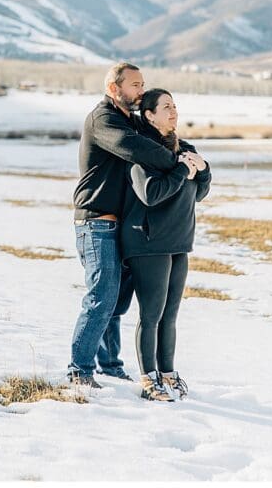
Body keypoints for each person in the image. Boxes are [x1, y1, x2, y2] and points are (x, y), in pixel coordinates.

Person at [67, 62, 180, 388]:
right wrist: (175, 164)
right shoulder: (103, 119)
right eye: (134, 85)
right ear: (114, 88)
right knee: (101, 297)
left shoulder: (129, 120)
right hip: (95, 222)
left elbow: (159, 140)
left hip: (120, 225)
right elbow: (135, 149)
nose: (140, 90)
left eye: (143, 84)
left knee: (116, 301)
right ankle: (79, 371)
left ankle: (110, 365)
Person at [119, 88, 210, 402]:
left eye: (175, 106)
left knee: (170, 315)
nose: (174, 111)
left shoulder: (183, 147)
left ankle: (168, 374)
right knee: (151, 315)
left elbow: (196, 193)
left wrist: (204, 170)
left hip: (179, 241)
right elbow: (151, 194)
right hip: (148, 242)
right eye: (166, 107)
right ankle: (148, 380)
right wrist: (184, 169)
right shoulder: (140, 151)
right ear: (149, 115)